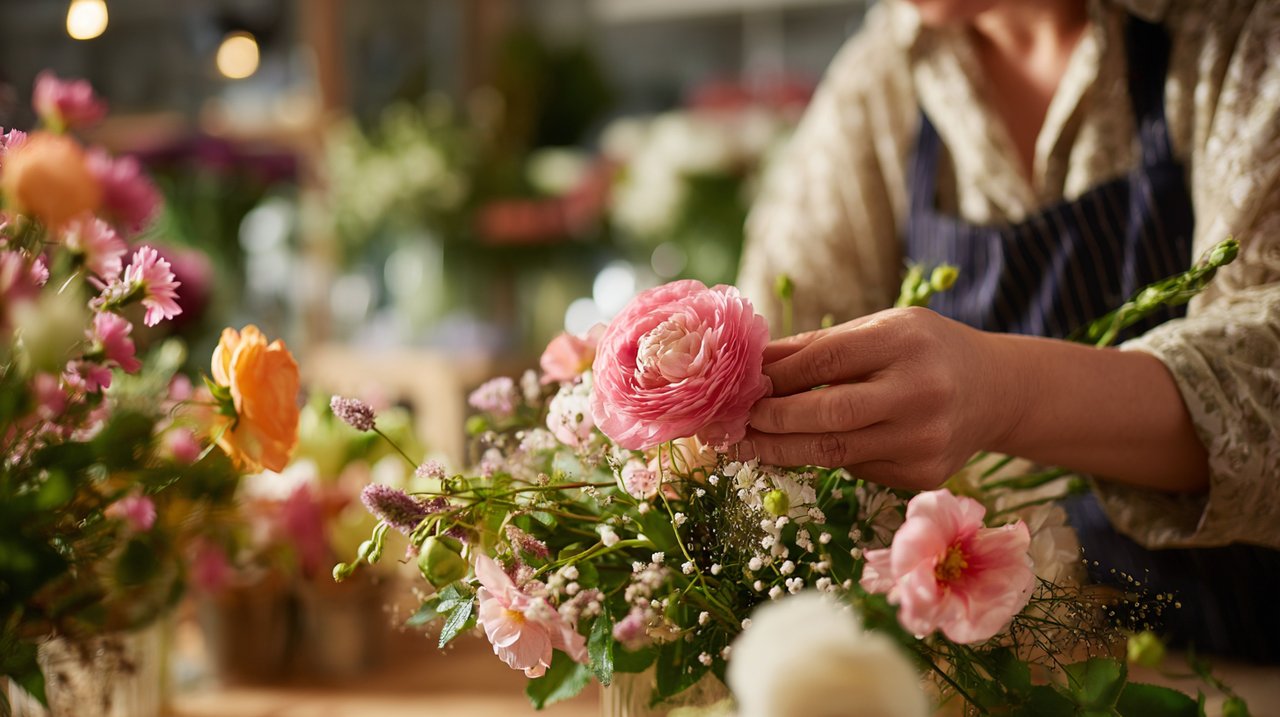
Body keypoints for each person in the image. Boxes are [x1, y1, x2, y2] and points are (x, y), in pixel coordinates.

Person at [735, 0, 1280, 659]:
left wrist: (1007, 392)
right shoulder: (892, 69)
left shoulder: (1236, 29)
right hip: (1039, 680)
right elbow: (775, 338)